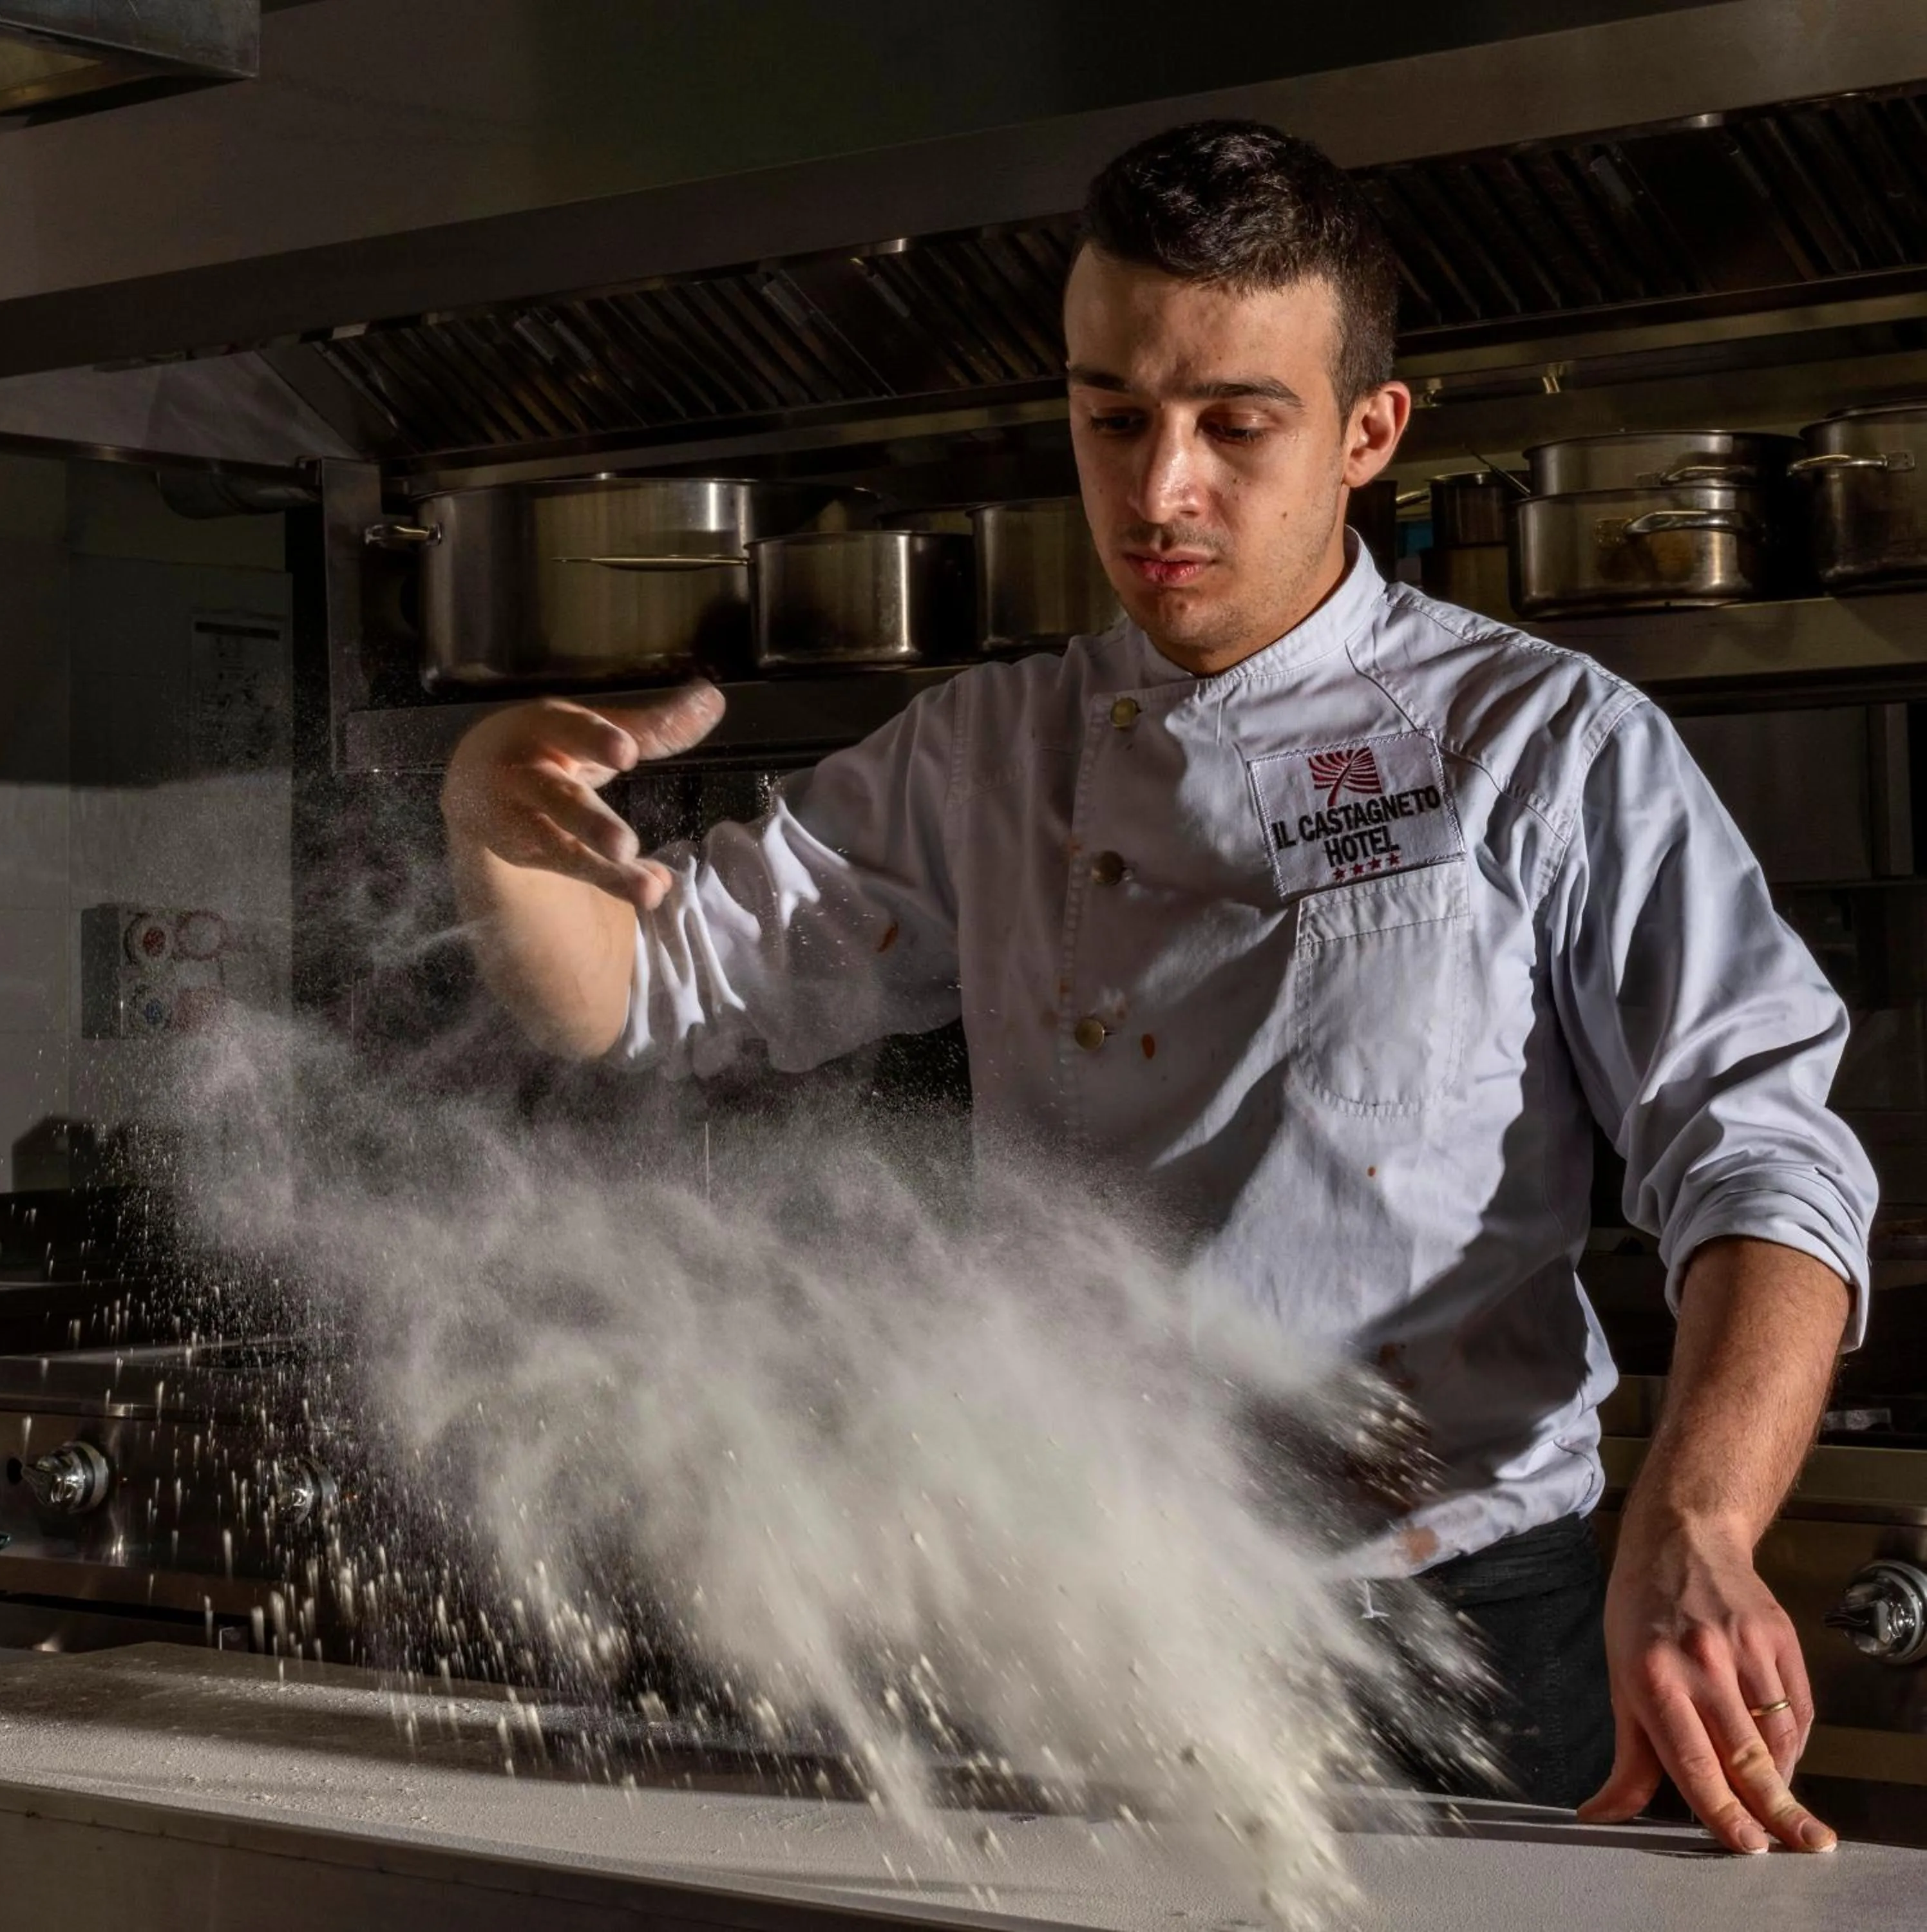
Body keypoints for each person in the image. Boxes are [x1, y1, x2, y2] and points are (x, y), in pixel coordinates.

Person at [440, 120, 1874, 1853]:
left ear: (1367, 434)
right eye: (1111, 416)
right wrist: (496, 816)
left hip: (1456, 1632)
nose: (1157, 489)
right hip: (1073, 1618)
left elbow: (1762, 1152)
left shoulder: (1542, 747)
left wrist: (1701, 1518)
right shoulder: (994, 749)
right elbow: (636, 995)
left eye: (1232, 426)